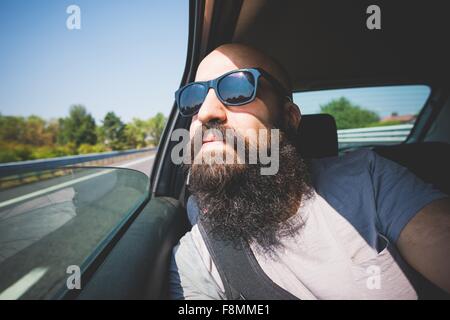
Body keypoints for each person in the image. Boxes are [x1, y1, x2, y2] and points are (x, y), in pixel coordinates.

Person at [169, 43, 450, 299]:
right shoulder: (196, 258)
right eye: (194, 98)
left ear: (289, 118)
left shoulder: (369, 179)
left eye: (236, 89)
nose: (205, 112)